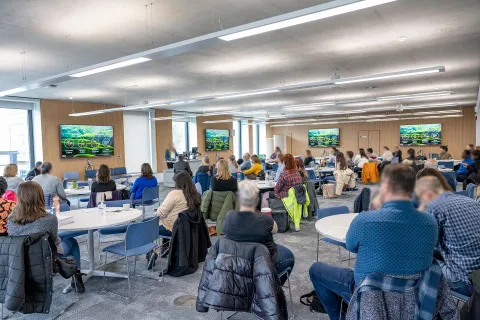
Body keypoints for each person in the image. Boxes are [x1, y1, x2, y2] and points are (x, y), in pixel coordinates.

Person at [309, 164, 438, 319]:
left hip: (369, 295)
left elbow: (351, 246)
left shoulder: (365, 219)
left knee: (316, 270)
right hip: (413, 298)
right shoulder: (431, 222)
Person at [7, 182, 85, 293]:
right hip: (46, 258)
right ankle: (76, 278)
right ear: (40, 196)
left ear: (19, 197)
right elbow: (54, 241)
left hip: (20, 261)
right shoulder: (49, 219)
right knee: (71, 241)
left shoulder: (11, 219)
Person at [415, 176, 480, 296]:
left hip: (464, 281)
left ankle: (423, 311)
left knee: (415, 264)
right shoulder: (470, 201)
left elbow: (420, 248)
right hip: (476, 275)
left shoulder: (432, 206)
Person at [223, 180, 294, 284]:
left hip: (236, 265)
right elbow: (276, 229)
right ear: (257, 199)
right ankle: (273, 287)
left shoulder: (229, 216)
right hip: (262, 265)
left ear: (238, 199)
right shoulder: (265, 220)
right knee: (289, 256)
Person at [148, 171, 202, 266]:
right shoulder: (195, 194)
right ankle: (166, 248)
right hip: (188, 228)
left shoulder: (174, 194)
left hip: (173, 228)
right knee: (168, 218)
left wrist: (155, 212)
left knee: (146, 225)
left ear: (178, 183)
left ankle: (150, 252)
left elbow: (161, 213)